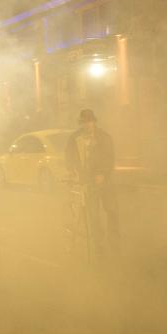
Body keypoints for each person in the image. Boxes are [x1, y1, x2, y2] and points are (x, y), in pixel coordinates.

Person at [64, 109, 119, 255]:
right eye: (84, 122)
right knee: (93, 215)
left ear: (94, 122)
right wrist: (70, 169)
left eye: (89, 121)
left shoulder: (105, 138)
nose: (87, 125)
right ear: (81, 123)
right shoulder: (74, 138)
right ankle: (98, 244)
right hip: (87, 183)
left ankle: (114, 240)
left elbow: (109, 158)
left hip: (105, 182)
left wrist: (102, 173)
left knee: (111, 211)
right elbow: (69, 156)